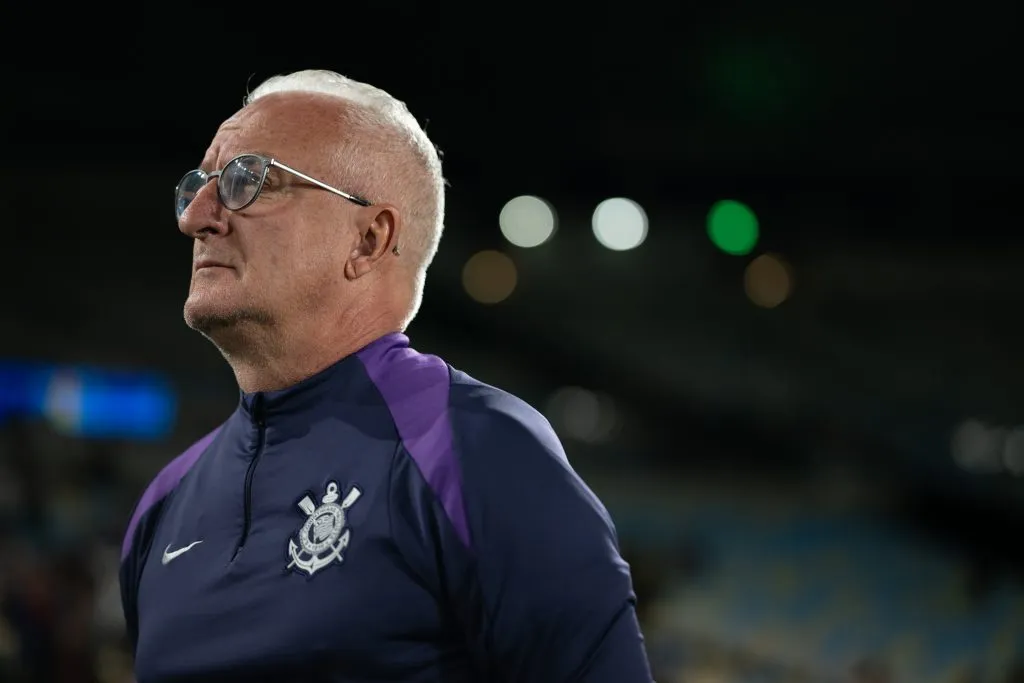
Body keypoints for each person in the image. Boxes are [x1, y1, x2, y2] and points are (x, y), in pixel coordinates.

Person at [118, 69, 653, 683]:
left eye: (249, 180)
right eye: (200, 184)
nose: (197, 217)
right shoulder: (163, 504)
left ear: (369, 240)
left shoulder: (474, 449)